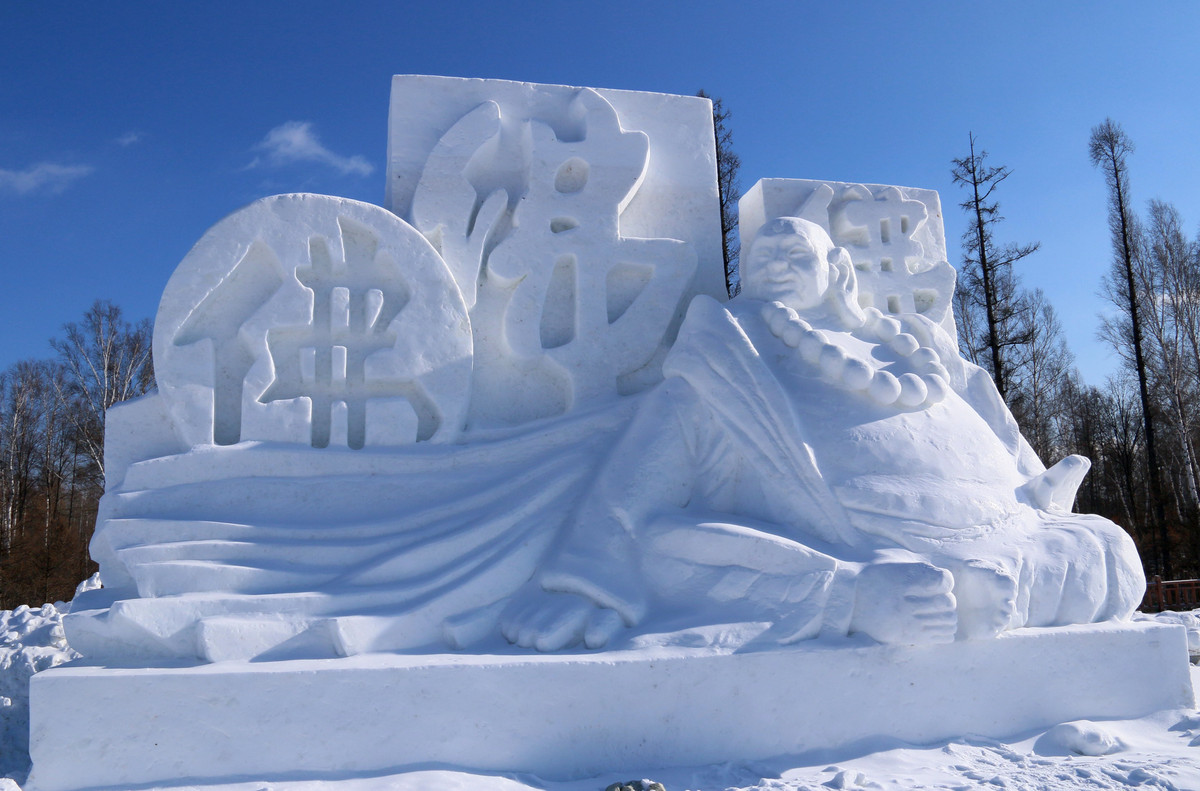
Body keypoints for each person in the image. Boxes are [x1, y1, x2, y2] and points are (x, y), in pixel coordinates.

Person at [500, 217, 1144, 652]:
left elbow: (1009, 454)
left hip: (1010, 538)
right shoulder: (730, 354)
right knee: (671, 550)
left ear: (836, 269)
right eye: (763, 257)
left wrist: (1041, 496)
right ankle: (867, 595)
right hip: (846, 541)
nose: (777, 266)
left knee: (1113, 550)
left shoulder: (918, 347)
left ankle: (976, 585)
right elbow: (642, 484)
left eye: (794, 255)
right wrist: (589, 576)